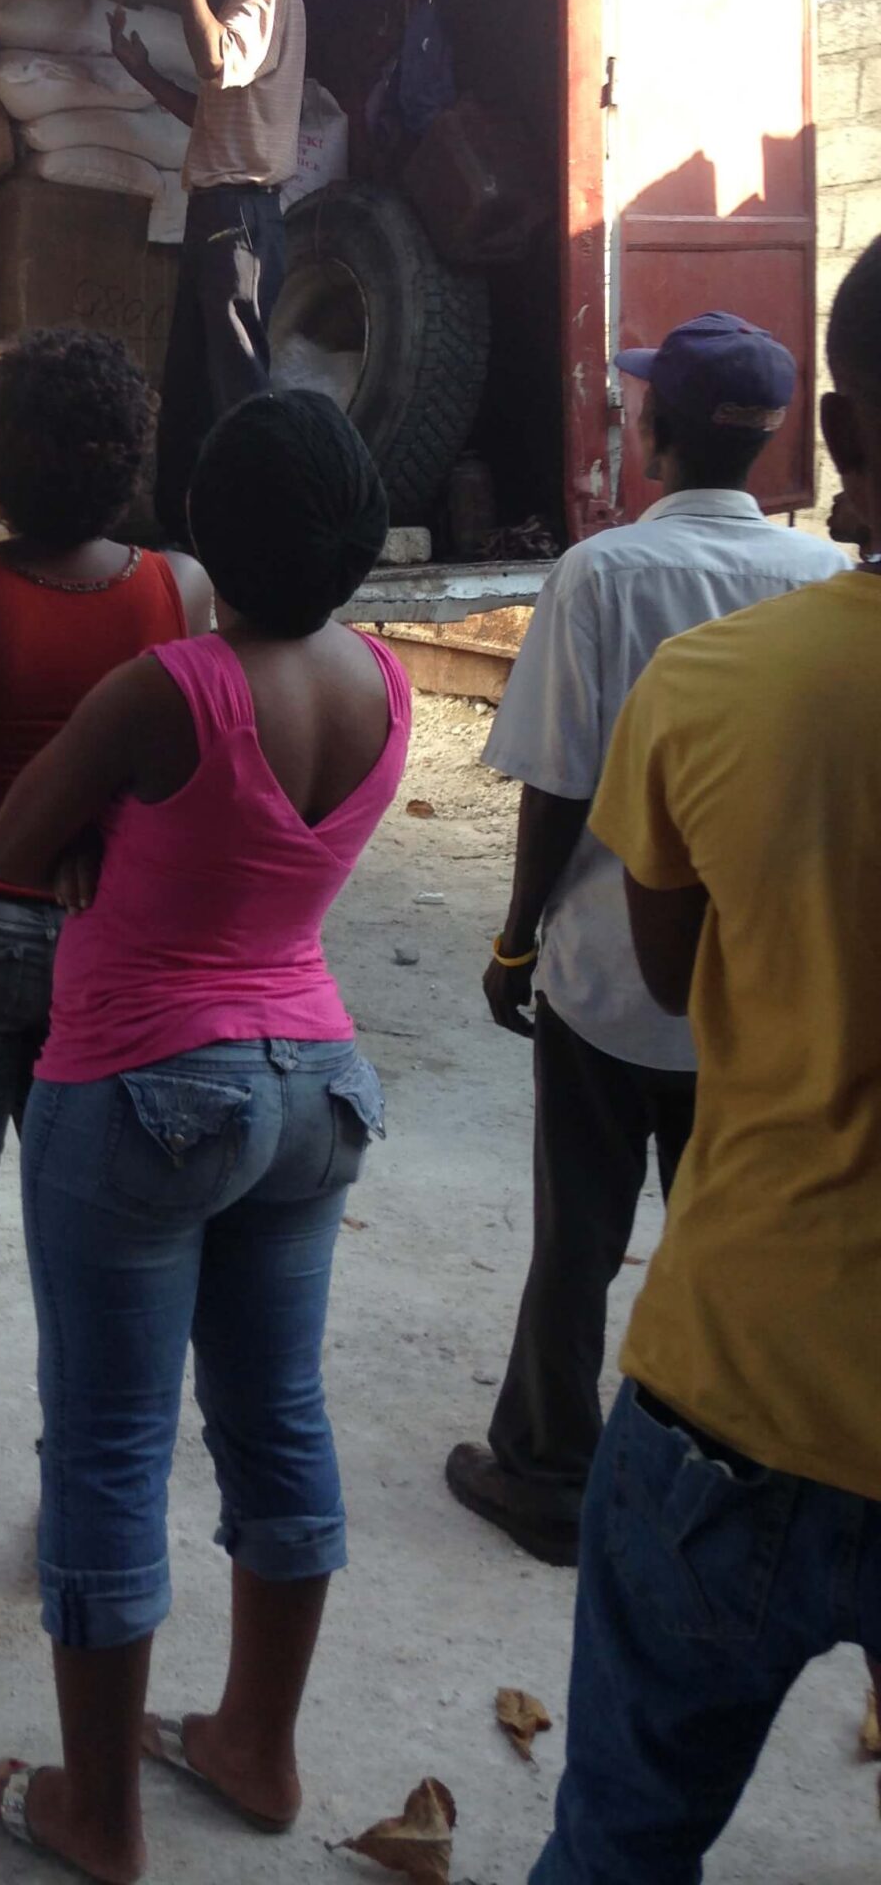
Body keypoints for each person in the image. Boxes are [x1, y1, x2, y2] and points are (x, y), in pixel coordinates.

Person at [0, 390, 407, 1885]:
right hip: (316, 1081)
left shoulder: (170, 688)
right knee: (277, 1415)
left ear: (204, 534)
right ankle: (257, 1748)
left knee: (108, 1446)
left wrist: (108, 835)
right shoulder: (384, 685)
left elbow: (15, 846)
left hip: (146, 1086)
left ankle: (99, 1814)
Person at [529, 243, 879, 1884]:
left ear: (835, 419)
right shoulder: (759, 597)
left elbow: (675, 973)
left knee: (617, 1844)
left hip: (735, 1388)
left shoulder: (716, 678)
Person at [446, 312, 845, 1566]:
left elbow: (558, 785)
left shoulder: (604, 574)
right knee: (728, 1232)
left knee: (580, 1230)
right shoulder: (826, 582)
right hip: (760, 994)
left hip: (611, 977)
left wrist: (516, 942)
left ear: (654, 430)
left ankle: (549, 1470)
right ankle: (730, 1467)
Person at [0, 329, 211, 1653]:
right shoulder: (176, 592)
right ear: (130, 462)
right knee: (89, 1268)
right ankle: (82, 1530)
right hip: (100, 949)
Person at [108, 0, 310, 546]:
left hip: (240, 221)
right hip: (218, 215)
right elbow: (210, 114)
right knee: (191, 385)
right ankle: (179, 529)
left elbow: (216, 58)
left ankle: (261, 533)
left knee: (238, 385)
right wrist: (140, 71)